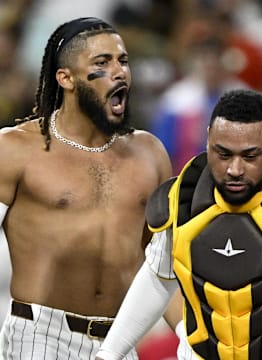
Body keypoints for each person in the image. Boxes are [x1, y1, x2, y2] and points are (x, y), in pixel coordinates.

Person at [96, 88, 262, 360]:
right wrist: (108, 354)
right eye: (223, 154)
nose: (234, 169)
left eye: (249, 156)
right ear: (208, 138)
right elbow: (157, 278)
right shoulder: (184, 198)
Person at [0, 16, 179, 359]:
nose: (119, 71)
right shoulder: (13, 150)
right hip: (39, 338)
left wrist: (191, 339)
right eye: (102, 62)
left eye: (123, 61)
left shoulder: (150, 154)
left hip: (120, 340)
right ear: (65, 78)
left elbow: (163, 267)